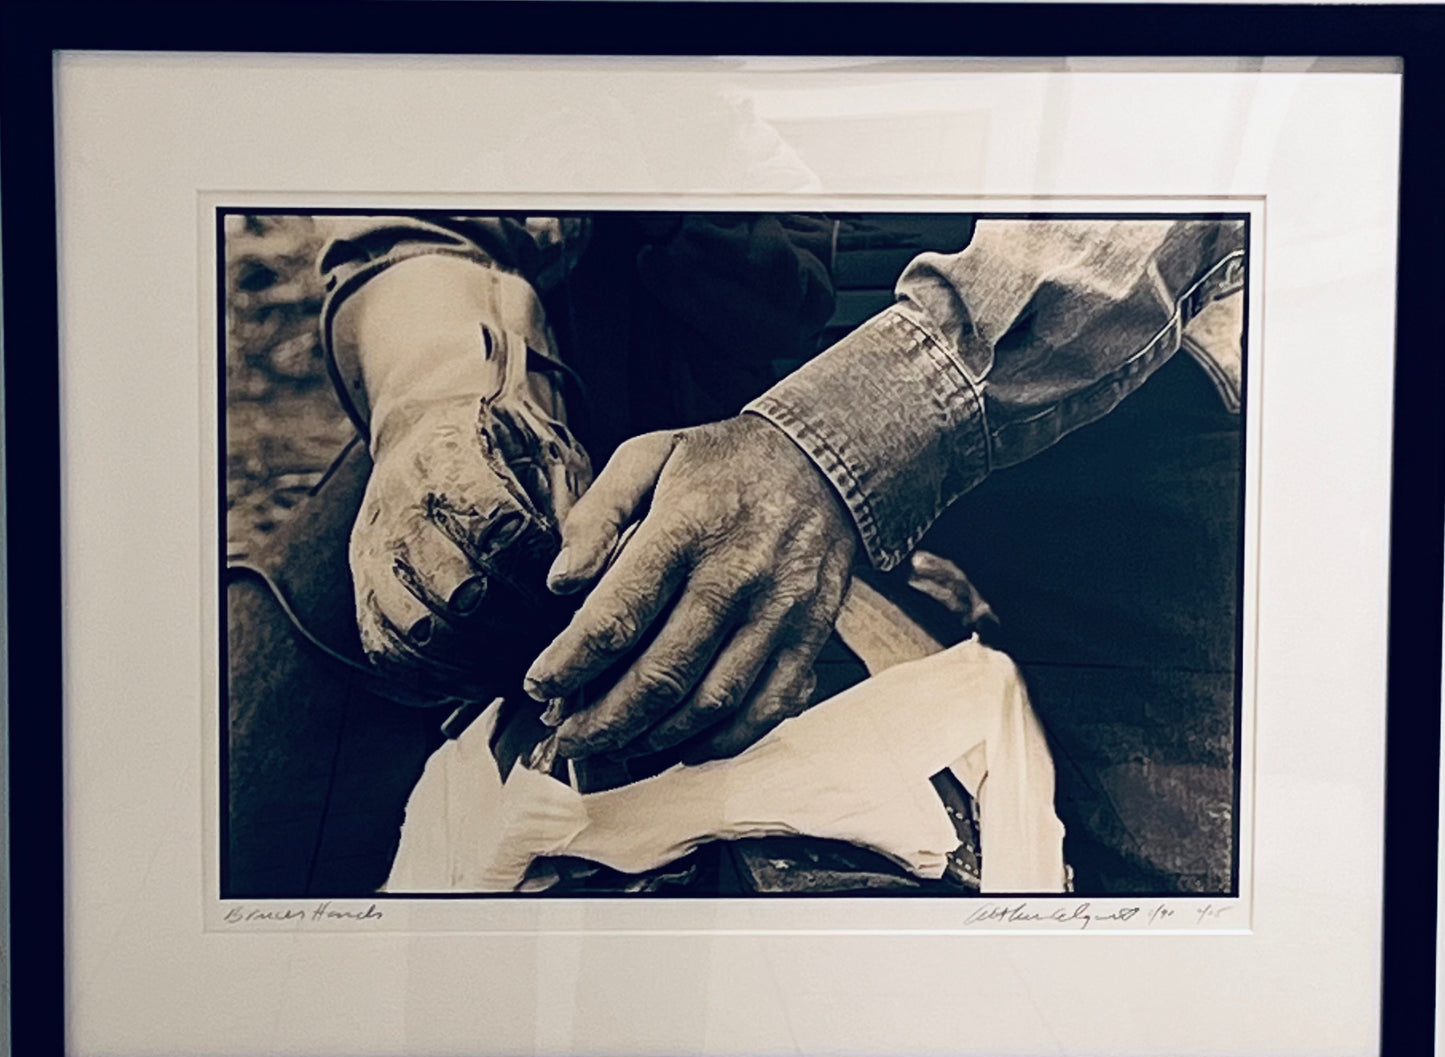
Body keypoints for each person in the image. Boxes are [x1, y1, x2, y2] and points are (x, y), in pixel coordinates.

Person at [231, 210, 1244, 895]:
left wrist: (837, 444)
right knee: (230, 826)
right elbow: (417, 202)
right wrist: (441, 396)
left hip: (1110, 395)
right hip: (630, 347)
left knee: (1223, 938)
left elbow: (1164, 171)